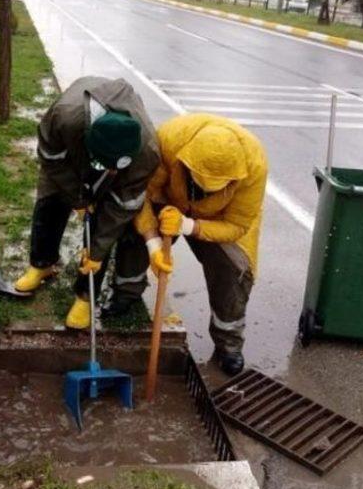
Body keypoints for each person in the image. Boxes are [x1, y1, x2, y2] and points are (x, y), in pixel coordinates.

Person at [111, 113, 268, 376]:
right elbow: (142, 194)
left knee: (235, 269)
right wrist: (152, 242)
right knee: (132, 230)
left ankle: (228, 344)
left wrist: (189, 226)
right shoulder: (169, 139)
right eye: (198, 183)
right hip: (167, 196)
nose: (203, 191)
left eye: (212, 188)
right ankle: (126, 293)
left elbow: (238, 225)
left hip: (220, 219)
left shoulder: (254, 167)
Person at [14, 76, 160, 329]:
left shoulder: (147, 153)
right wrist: (78, 199)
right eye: (104, 165)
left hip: (114, 164)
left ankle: (85, 295)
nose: (110, 172)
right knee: (50, 205)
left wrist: (97, 252)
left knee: (101, 230)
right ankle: (42, 264)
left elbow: (121, 207)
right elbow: (51, 158)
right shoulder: (65, 117)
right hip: (66, 160)